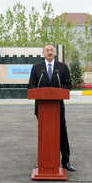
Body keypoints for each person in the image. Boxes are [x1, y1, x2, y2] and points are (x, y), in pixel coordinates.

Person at [27, 44, 75, 172]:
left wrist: (57, 93)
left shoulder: (62, 67)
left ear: (55, 53)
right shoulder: (36, 68)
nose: (49, 52)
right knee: (44, 134)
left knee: (62, 132)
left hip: (57, 106)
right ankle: (43, 162)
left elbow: (68, 85)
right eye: (47, 50)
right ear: (43, 52)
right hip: (41, 107)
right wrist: (39, 92)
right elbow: (31, 85)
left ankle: (66, 161)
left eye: (51, 50)